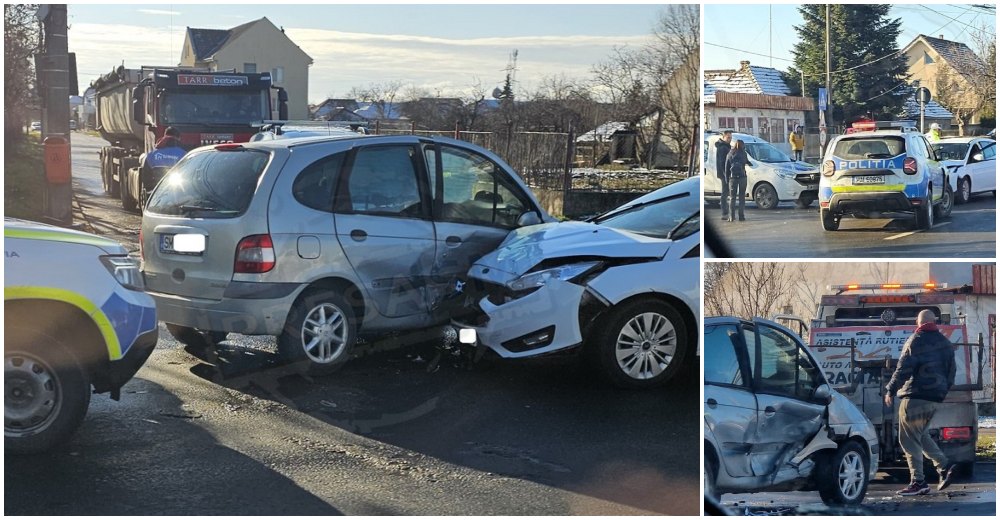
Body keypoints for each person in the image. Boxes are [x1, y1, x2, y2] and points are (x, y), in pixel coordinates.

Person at [884, 309, 957, 496]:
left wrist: (890, 389)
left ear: (918, 323)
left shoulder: (915, 340)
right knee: (921, 435)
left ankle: (918, 482)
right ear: (934, 322)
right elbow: (951, 373)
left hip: (914, 397)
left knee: (908, 439)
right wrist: (941, 392)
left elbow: (903, 369)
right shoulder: (946, 343)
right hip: (935, 399)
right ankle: (944, 466)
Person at [725, 140, 749, 222]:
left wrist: (727, 178)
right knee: (742, 197)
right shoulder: (744, 154)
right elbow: (745, 162)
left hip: (733, 178)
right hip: (742, 177)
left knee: (732, 198)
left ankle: (731, 216)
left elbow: (726, 166)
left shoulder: (730, 153)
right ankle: (741, 216)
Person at [715, 131, 733, 221]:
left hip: (725, 173)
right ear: (724, 137)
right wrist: (726, 174)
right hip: (724, 174)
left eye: (731, 137)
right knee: (725, 193)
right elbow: (722, 162)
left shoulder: (725, 146)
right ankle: (724, 213)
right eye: (728, 137)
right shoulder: (723, 148)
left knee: (726, 192)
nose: (730, 139)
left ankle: (726, 212)